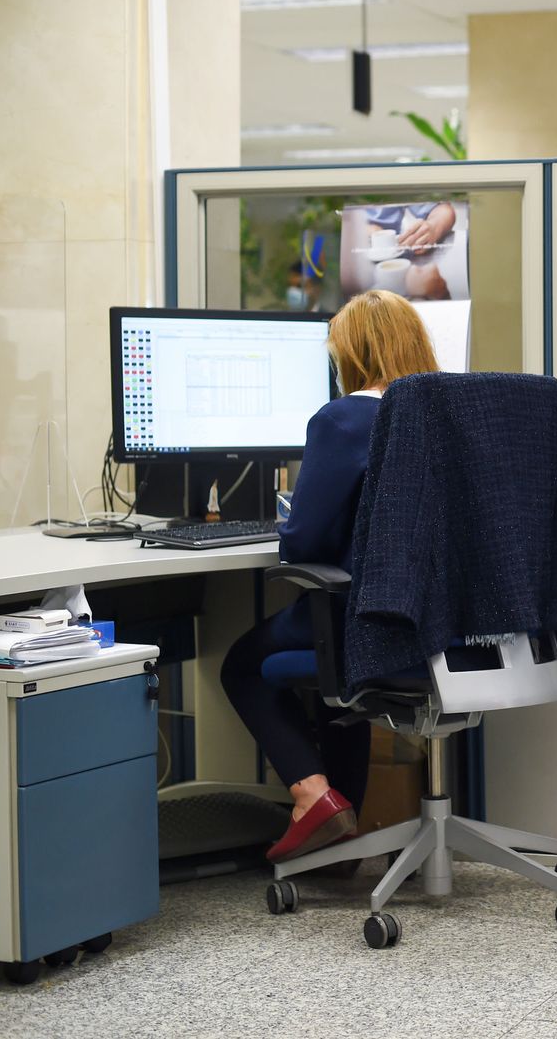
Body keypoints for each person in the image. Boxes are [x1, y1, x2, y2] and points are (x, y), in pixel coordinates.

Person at [219, 290, 441, 863]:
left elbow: (303, 542)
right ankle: (339, 839)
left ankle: (312, 796)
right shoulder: (446, 414)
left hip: (371, 621)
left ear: (351, 354)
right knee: (336, 682)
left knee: (243, 665)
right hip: (451, 626)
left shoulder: (343, 419)